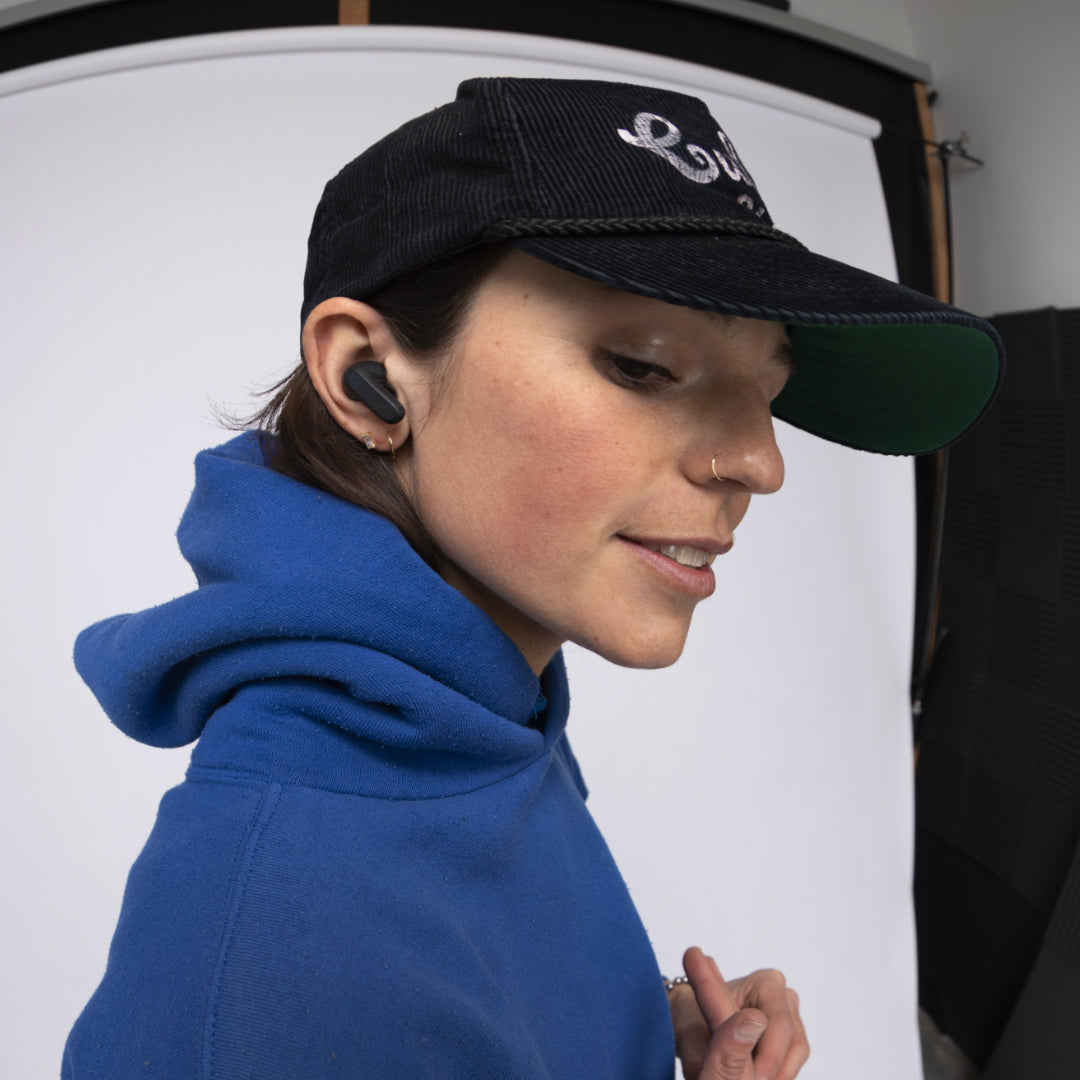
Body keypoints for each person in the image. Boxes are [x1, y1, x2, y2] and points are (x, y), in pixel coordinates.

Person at [61, 77, 1003, 1080]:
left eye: (768, 393)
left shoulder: (464, 707)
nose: (760, 462)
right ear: (366, 378)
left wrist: (639, 1034)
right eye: (643, 364)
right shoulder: (268, 962)